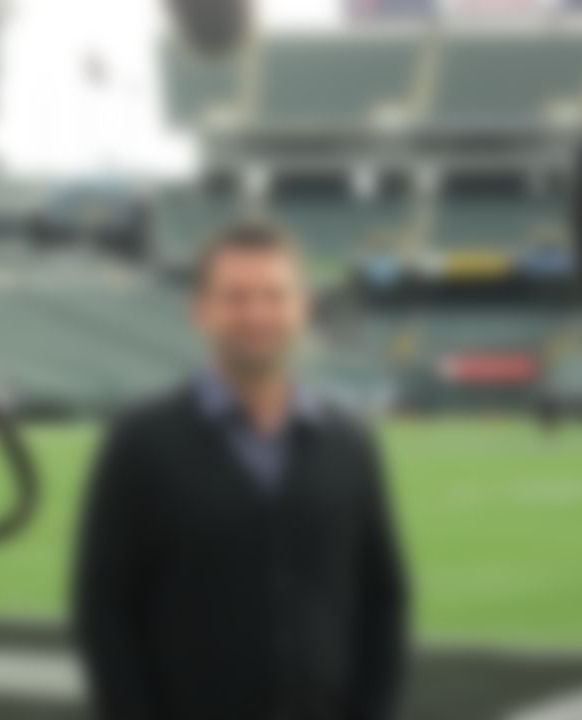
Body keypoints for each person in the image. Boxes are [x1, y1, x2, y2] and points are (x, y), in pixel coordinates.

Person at [74, 220, 408, 720]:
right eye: (236, 296)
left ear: (304, 308)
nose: (257, 313)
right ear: (200, 310)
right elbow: (104, 610)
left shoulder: (348, 444)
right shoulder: (140, 442)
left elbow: (382, 597)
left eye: (275, 295)